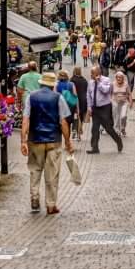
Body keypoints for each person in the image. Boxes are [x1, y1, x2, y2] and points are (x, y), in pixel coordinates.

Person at [21, 72, 74, 215]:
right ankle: (51, 205)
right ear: (52, 85)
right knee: (52, 173)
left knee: (35, 170)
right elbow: (63, 122)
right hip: (53, 140)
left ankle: (34, 198)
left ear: (41, 83)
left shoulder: (31, 97)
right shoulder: (58, 98)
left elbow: (26, 119)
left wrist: (23, 141)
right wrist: (68, 141)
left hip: (35, 139)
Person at [86, 65, 123, 154]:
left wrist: (98, 82)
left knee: (108, 128)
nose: (91, 75)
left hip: (105, 107)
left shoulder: (106, 80)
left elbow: (106, 91)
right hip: (95, 108)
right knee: (94, 128)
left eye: (92, 73)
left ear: (98, 73)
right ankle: (95, 148)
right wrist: (89, 107)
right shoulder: (90, 82)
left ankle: (118, 141)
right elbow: (88, 95)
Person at [56, 70, 78, 135]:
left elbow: (54, 95)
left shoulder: (56, 84)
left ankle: (60, 138)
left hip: (60, 106)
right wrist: (77, 108)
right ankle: (67, 140)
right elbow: (75, 96)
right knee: (68, 124)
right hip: (70, 107)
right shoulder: (71, 84)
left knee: (60, 122)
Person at [71, 66, 89, 141]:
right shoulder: (84, 80)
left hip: (75, 100)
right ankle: (78, 133)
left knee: (75, 116)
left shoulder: (72, 80)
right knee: (81, 117)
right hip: (84, 101)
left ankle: (75, 130)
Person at [112, 71, 131, 136]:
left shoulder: (126, 84)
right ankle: (117, 130)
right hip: (115, 102)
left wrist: (131, 102)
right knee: (116, 117)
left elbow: (129, 94)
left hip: (124, 102)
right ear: (116, 78)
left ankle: (123, 128)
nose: (119, 79)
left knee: (123, 116)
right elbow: (109, 94)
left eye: (120, 77)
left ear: (123, 78)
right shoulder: (113, 84)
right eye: (117, 77)